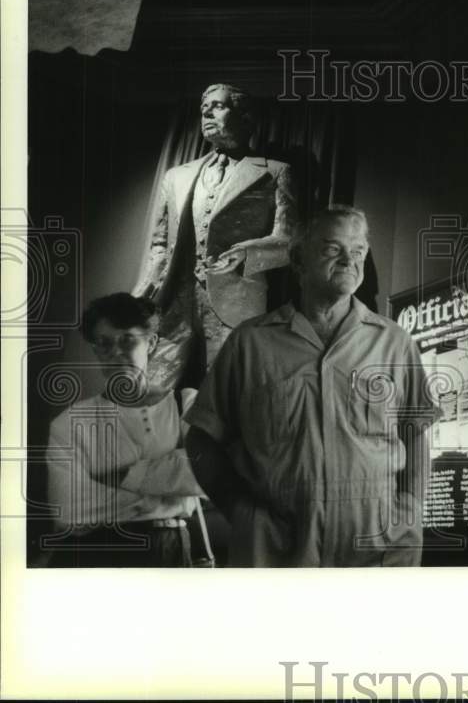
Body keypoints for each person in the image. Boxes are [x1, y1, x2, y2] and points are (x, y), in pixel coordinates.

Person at [184, 206, 439, 567]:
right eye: (332, 249)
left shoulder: (394, 343)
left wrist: (411, 509)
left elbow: (416, 431)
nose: (349, 260)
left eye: (359, 250)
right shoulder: (250, 344)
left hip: (378, 553)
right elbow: (200, 439)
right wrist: (241, 511)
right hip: (276, 555)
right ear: (299, 260)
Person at [134, 83, 298, 390]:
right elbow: (159, 243)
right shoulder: (177, 176)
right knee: (150, 388)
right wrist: (141, 294)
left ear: (246, 118)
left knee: (226, 393)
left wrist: (247, 253)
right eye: (203, 108)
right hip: (174, 301)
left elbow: (289, 242)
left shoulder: (274, 171)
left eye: (218, 106)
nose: (207, 111)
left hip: (236, 301)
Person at [44, 293, 204, 567]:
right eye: (104, 344)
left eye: (127, 340)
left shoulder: (186, 405)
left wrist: (122, 476)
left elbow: (207, 474)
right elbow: (70, 509)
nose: (116, 353)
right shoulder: (70, 423)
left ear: (151, 343)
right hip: (97, 556)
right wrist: (169, 482)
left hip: (170, 552)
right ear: (95, 350)